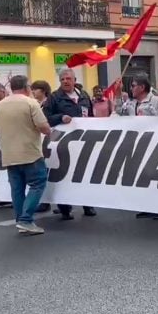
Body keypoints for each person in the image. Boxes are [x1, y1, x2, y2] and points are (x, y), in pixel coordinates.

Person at [0, 75, 51, 235]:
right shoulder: (31, 103)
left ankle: (20, 220)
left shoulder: (0, 105)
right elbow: (44, 127)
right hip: (30, 152)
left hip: (9, 154)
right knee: (38, 183)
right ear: (27, 87)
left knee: (17, 189)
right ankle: (26, 219)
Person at [43, 68, 96, 220]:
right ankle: (65, 208)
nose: (65, 81)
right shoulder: (54, 97)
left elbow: (91, 116)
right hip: (63, 143)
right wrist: (60, 117)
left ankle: (88, 205)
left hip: (83, 142)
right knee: (64, 176)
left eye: (68, 79)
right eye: (62, 80)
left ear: (74, 80)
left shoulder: (84, 96)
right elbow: (45, 118)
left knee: (84, 174)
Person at [128, 76, 158, 220]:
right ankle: (146, 205)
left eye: (133, 85)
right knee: (142, 175)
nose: (131, 88)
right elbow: (120, 113)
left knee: (154, 175)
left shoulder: (155, 101)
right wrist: (118, 96)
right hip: (138, 143)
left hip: (153, 142)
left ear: (142, 87)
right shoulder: (132, 103)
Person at [29, 80, 52, 214]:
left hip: (49, 140)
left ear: (43, 91)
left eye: (36, 90)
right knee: (41, 171)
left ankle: (47, 201)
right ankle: (44, 201)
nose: (33, 92)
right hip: (38, 142)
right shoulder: (34, 104)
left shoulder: (48, 104)